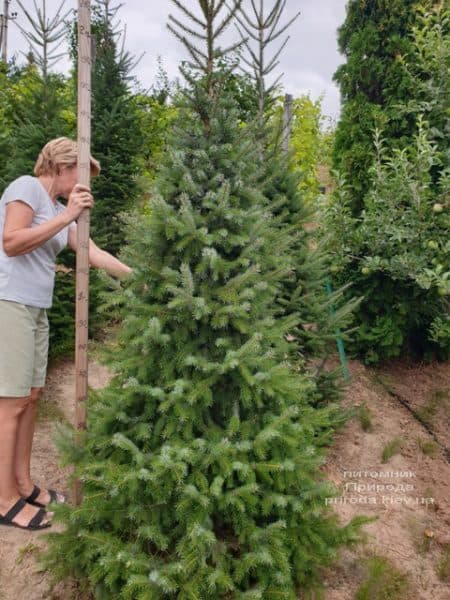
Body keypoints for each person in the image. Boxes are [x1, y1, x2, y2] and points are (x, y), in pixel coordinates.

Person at [0, 137, 132, 531]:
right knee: (10, 403)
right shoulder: (27, 188)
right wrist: (68, 214)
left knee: (31, 397)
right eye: (82, 174)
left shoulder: (59, 209)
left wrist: (139, 278)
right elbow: (11, 242)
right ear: (61, 165)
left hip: (36, 308)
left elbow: (90, 252)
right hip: (10, 302)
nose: (85, 185)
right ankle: (3, 498)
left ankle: (23, 485)